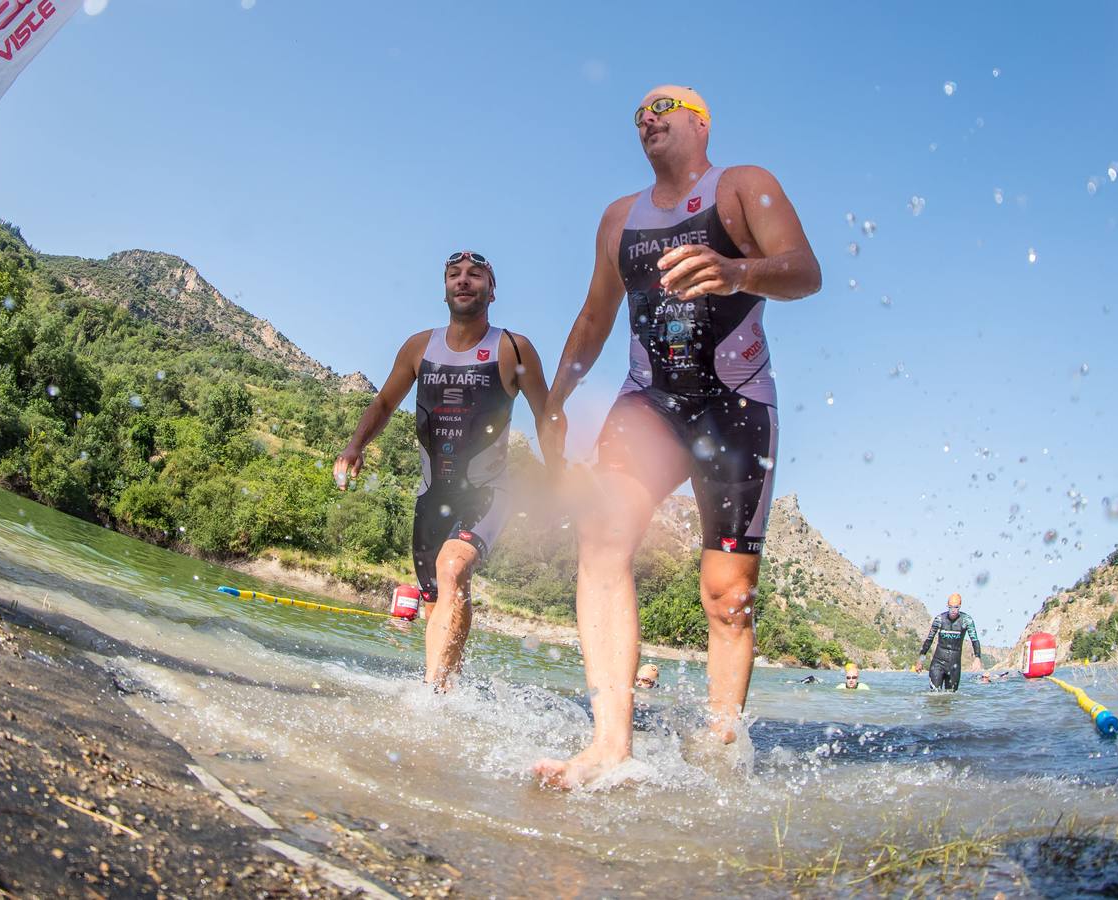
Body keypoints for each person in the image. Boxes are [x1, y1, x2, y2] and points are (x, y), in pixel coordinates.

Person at [534, 85, 822, 788]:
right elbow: (595, 317)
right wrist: (556, 397)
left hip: (736, 401)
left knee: (727, 593)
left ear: (699, 122)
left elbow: (805, 273)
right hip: (649, 403)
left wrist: (736, 272)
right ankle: (609, 743)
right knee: (601, 538)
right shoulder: (617, 220)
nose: (647, 119)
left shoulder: (745, 187)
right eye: (638, 114)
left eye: (662, 107)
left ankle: (723, 746)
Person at [335, 251, 549, 689]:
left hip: (486, 494)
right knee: (435, 601)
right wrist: (355, 446)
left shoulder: (513, 348)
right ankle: (447, 689)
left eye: (475, 275)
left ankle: (432, 696)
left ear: (492, 290)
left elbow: (547, 416)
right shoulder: (419, 347)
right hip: (431, 496)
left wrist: (563, 474)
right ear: (445, 288)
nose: (464, 281)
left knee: (454, 567)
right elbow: (383, 403)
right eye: (455, 275)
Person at [914, 593, 983, 692]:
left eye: (956, 607)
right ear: (947, 606)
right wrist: (920, 660)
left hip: (954, 665)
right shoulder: (939, 619)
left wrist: (977, 657)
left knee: (950, 697)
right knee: (934, 695)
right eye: (951, 607)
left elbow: (975, 640)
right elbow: (929, 640)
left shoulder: (966, 620)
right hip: (938, 662)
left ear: (960, 606)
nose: (953, 610)